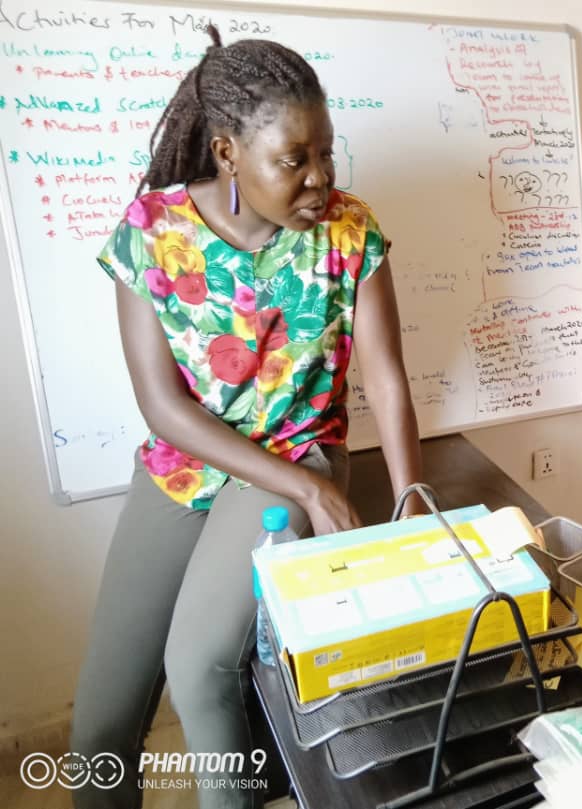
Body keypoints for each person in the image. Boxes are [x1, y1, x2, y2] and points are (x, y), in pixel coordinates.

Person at [69, 27, 423, 809]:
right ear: (228, 152)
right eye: (293, 160)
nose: (319, 178)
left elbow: (388, 380)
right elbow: (162, 406)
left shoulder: (350, 232)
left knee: (199, 667)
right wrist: (300, 485)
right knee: (97, 728)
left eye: (326, 153)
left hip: (299, 456)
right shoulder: (153, 234)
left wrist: (408, 506)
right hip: (188, 462)